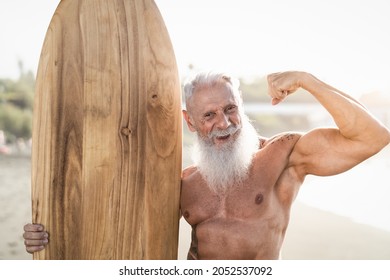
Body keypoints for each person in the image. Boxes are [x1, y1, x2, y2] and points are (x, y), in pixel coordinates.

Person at [23, 71, 390, 259]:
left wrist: (307, 81)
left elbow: (372, 137)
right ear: (190, 121)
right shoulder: (183, 183)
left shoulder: (285, 156)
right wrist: (49, 235)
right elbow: (113, 224)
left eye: (231, 109)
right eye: (209, 115)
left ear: (241, 108)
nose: (224, 123)